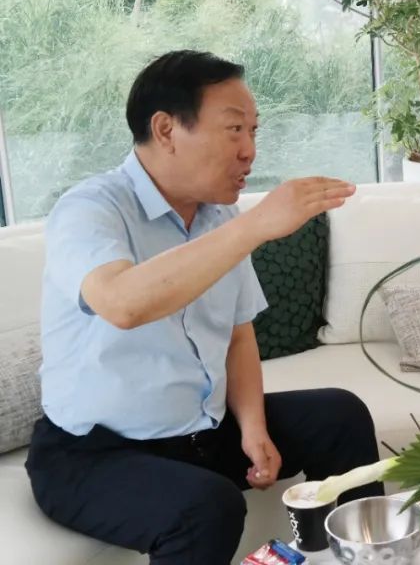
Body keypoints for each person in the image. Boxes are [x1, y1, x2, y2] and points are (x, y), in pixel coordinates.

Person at [25, 50, 384, 565]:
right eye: (234, 129)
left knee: (339, 415)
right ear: (166, 129)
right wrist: (256, 225)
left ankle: (364, 556)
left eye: (253, 131)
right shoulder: (90, 208)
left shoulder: (219, 219)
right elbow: (122, 303)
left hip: (201, 435)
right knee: (206, 506)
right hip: (93, 455)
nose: (249, 151)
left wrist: (253, 428)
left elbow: (237, 334)